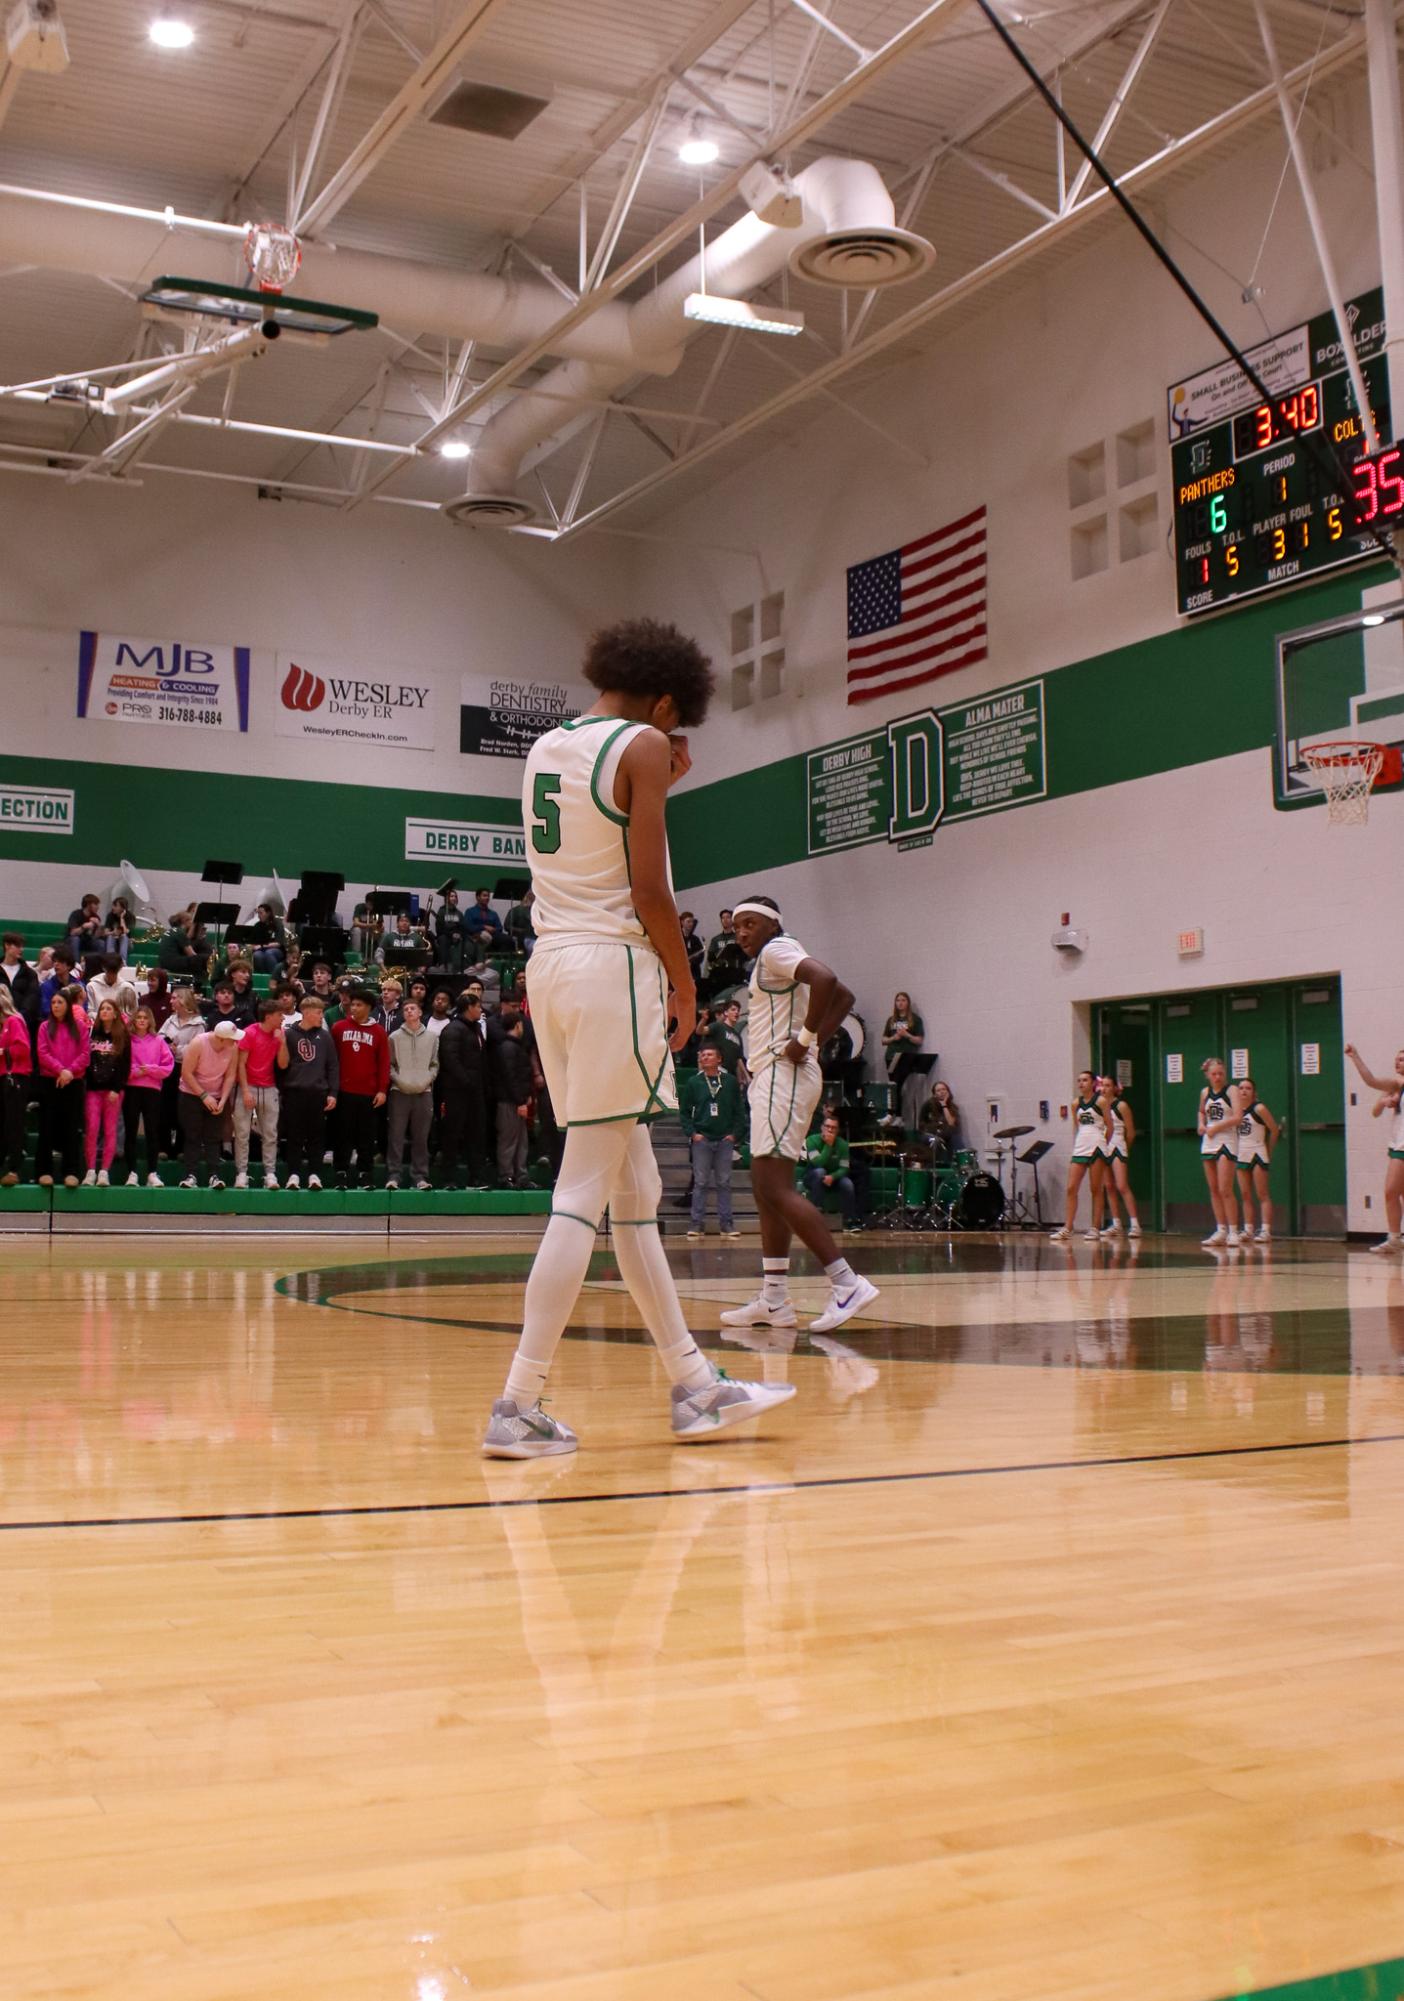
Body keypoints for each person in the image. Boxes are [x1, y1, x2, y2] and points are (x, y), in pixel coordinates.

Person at [483, 617, 793, 1457]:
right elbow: (650, 890)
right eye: (674, 720)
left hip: (549, 967)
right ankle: (518, 1399)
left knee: (635, 1191)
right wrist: (686, 982)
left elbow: (591, 840)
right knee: (586, 1188)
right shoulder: (644, 747)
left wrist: (657, 775)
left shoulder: (546, 745)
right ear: (665, 699)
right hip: (613, 967)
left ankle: (696, 1385)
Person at [722, 896, 879, 1334]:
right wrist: (810, 1042)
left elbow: (827, 980)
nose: (742, 933)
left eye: (749, 923)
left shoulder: (777, 949)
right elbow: (843, 995)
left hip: (782, 1074)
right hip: (779, 1075)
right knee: (765, 1187)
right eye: (736, 927)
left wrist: (806, 1037)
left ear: (771, 923)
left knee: (773, 1186)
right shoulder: (777, 955)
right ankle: (774, 1300)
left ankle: (847, 1284)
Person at [1345, 1042, 1404, 1252]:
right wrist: (1356, 1058)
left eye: (1402, 1059)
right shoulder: (1397, 1084)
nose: (1398, 1062)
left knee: (1390, 1191)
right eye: (1397, 1058)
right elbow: (1372, 1085)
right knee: (1396, 1193)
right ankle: (1396, 1237)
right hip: (1398, 1144)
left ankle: (1396, 1237)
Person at [680, 1043, 743, 1239]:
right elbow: (684, 1112)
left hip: (724, 1139)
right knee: (700, 1182)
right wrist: (692, 1133)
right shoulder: (693, 1083)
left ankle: (727, 1225)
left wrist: (735, 1134)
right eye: (703, 1055)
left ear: (719, 1059)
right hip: (702, 1138)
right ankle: (697, 1224)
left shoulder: (730, 1082)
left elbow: (739, 1111)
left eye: (709, 1054)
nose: (705, 1057)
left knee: (724, 1182)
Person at [332, 987, 389, 1188]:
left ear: (370, 1008)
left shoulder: (379, 1032)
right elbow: (333, 1061)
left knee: (366, 1137)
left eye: (359, 1005)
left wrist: (382, 1089)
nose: (354, 1008)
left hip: (369, 1093)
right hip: (344, 1092)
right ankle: (341, 1173)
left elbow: (384, 1063)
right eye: (352, 1004)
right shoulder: (338, 1028)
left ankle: (365, 1174)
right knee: (343, 1135)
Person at [281, 993, 337, 1189]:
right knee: (294, 1135)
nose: (322, 1016)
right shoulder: (289, 1034)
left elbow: (332, 1066)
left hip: (318, 1093)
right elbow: (282, 1066)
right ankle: (293, 1175)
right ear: (305, 1012)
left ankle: (315, 1174)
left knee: (316, 1136)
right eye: (319, 1012)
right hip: (294, 1092)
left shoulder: (325, 1036)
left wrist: (333, 1092)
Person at [1048, 1071, 1111, 1242]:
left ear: (1093, 1083)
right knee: (1071, 1187)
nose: (1081, 1083)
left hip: (1097, 1146)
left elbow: (1109, 1127)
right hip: (1080, 1146)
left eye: (1085, 1080)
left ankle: (1095, 1227)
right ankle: (1068, 1227)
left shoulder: (1101, 1101)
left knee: (1095, 1188)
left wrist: (1102, 1143)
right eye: (1079, 1080)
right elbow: (1078, 1126)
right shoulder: (1075, 1104)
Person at [35, 989, 89, 1187]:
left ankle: (71, 1171)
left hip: (73, 1083)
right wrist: (61, 1070)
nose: (55, 1005)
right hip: (50, 1082)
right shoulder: (44, 1027)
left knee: (72, 1127)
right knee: (47, 1126)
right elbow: (42, 1053)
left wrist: (69, 1072)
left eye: (59, 1002)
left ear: (67, 1005)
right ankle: (43, 1170)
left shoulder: (80, 1027)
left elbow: (85, 1055)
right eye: (53, 1002)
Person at [178, 1018, 240, 1188]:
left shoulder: (232, 1048)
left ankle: (214, 1175)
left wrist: (223, 1099)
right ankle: (190, 1175)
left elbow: (230, 1076)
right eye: (232, 1038)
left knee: (213, 1137)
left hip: (217, 1096)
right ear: (221, 1038)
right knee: (193, 1136)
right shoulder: (198, 1043)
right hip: (191, 1094)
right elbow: (186, 1073)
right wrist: (204, 1096)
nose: (235, 1041)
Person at [233, 996, 288, 1188]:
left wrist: (282, 1043)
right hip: (248, 1087)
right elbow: (241, 1064)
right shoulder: (249, 1033)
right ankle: (241, 1173)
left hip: (269, 1087)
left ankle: (270, 1174)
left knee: (271, 1133)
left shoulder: (279, 1033)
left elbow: (283, 1064)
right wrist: (246, 1091)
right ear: (269, 1016)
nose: (283, 1018)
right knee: (241, 1133)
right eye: (280, 1014)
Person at [438, 991, 491, 1188]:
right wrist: (467, 1081)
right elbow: (450, 1060)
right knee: (452, 1133)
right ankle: (448, 1179)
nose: (480, 1009)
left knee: (477, 1134)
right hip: (456, 1092)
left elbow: (481, 1059)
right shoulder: (453, 1029)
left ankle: (476, 1177)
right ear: (469, 1007)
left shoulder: (476, 1028)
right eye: (478, 1006)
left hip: (475, 1091)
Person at [386, 998, 438, 1190]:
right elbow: (389, 1065)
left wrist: (426, 1080)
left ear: (419, 1012)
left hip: (424, 1093)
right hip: (399, 1092)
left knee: (421, 1138)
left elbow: (435, 1064)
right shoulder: (394, 1037)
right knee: (396, 1136)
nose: (408, 1011)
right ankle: (394, 1175)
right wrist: (400, 1080)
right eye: (406, 1009)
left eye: (412, 1008)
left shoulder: (432, 1037)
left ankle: (420, 1177)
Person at [122, 1005, 173, 1186]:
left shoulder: (159, 1041)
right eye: (139, 1017)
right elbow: (121, 1067)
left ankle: (152, 1172)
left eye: (145, 1017)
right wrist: (135, 1072)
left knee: (152, 1131)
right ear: (134, 1020)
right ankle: (132, 1173)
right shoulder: (127, 1041)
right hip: (132, 1089)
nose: (142, 1020)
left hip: (152, 1090)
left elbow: (168, 1066)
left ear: (150, 1020)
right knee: (131, 1131)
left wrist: (151, 1070)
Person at [81, 999, 131, 1186]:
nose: (104, 1011)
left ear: (116, 1013)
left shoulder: (122, 1036)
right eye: (102, 1008)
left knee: (110, 1130)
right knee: (92, 1128)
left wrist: (117, 1088)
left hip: (113, 1091)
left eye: (109, 1008)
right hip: (94, 1089)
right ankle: (90, 1170)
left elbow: (125, 1065)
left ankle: (104, 1172)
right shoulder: (93, 1034)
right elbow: (87, 1060)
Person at [1231, 1074, 1280, 1246]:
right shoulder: (1235, 1111)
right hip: (1241, 1153)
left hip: (1258, 1152)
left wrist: (1268, 1150)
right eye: (1241, 1088)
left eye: (1248, 1088)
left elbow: (1274, 1130)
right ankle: (1248, 1229)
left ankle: (1266, 1230)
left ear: (1254, 1092)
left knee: (1262, 1193)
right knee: (1245, 1194)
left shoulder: (1259, 1108)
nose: (1244, 1091)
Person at [1198, 1057, 1242, 1249]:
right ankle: (1221, 1229)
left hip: (1226, 1139)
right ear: (1208, 1075)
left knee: (1225, 1188)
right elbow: (1201, 1112)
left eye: (1220, 1074)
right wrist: (1201, 1124)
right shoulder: (1205, 1092)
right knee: (1213, 1188)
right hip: (1209, 1140)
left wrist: (1218, 1127)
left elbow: (1239, 1117)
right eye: (1214, 1074)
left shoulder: (1231, 1090)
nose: (1217, 1077)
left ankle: (1234, 1231)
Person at [159, 984, 205, 1158]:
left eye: (174, 998)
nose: (171, 1001)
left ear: (183, 1000)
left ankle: (181, 1148)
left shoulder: (198, 1023)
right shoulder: (170, 1020)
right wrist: (166, 1046)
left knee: (183, 1108)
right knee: (165, 1106)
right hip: (168, 1067)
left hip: (187, 1069)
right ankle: (163, 1147)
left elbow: (198, 1047)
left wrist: (177, 1050)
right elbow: (159, 1037)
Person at [1095, 1073, 1142, 1240]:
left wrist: (1125, 1148)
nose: (1104, 1089)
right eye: (1103, 1085)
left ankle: (1135, 1224)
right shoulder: (1099, 1106)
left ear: (1115, 1088)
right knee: (1109, 1186)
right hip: (1104, 1145)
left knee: (1122, 1185)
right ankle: (1116, 1223)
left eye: (1108, 1085)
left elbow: (1130, 1132)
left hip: (1117, 1146)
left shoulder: (1121, 1106)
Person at [492, 1009, 534, 1189]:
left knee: (521, 1141)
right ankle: (506, 1176)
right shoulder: (508, 1047)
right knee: (509, 1140)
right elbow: (510, 1077)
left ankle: (521, 1175)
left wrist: (526, 1097)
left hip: (518, 1100)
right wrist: (520, 1101)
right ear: (517, 1025)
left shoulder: (514, 1046)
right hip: (509, 1102)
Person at [804, 1111, 858, 1231]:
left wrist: (833, 1177)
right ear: (822, 1127)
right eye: (827, 1126)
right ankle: (816, 1214)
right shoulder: (811, 1140)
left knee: (848, 1184)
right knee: (820, 1172)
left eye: (833, 1128)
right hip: (812, 1177)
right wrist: (829, 1145)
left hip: (833, 1178)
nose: (830, 1130)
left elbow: (844, 1168)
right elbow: (818, 1163)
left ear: (837, 1130)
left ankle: (849, 1221)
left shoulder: (843, 1145)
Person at [0, 986, 33, 1185]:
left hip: (15, 1078)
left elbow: (23, 1048)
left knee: (14, 1122)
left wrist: (3, 1051)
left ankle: (14, 1167)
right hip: (2, 1077)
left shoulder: (14, 1021)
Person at [882, 991, 927, 1131]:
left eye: (903, 1000)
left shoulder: (915, 1019)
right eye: (898, 1000)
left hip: (906, 1056)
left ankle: (895, 1115)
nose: (900, 1003)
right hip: (891, 1055)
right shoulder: (891, 1020)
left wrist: (906, 1035)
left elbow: (919, 1040)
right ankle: (894, 1115)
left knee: (898, 1084)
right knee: (893, 1086)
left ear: (908, 1003)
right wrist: (893, 1038)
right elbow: (883, 1040)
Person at [703, 998, 748, 1083]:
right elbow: (700, 1031)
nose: (736, 1012)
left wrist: (746, 1077)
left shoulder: (738, 1036)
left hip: (731, 1075)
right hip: (718, 1071)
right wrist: (704, 1019)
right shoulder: (718, 1026)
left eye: (738, 1010)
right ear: (726, 1013)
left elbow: (739, 1059)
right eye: (733, 1009)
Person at [0, 932, 38, 1029]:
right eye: (17, 946)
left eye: (22, 946)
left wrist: (19, 1018)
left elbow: (32, 998)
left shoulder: (30, 974)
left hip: (21, 1023)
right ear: (7, 945)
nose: (21, 949)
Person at [86, 953, 136, 1022]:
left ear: (120, 968)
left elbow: (134, 1013)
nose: (111, 976)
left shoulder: (127, 987)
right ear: (103, 968)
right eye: (109, 971)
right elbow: (89, 1012)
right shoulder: (92, 986)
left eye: (114, 972)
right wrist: (107, 1017)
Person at [917, 1079, 961, 1158]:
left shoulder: (952, 1107)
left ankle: (956, 1165)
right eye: (938, 1090)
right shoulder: (928, 1105)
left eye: (944, 1089)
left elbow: (951, 1123)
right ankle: (932, 1166)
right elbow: (921, 1124)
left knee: (957, 1140)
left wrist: (944, 1105)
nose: (941, 1092)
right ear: (934, 1094)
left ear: (948, 1092)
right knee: (935, 1141)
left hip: (946, 1135)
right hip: (929, 1134)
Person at [158, 910, 201, 978]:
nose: (192, 922)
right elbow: (191, 954)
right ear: (185, 921)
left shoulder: (171, 931)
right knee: (200, 960)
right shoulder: (180, 932)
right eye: (190, 920)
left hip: (162, 962)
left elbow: (186, 938)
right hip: (172, 962)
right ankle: (197, 982)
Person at [435, 889, 468, 974]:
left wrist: (458, 934)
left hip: (457, 936)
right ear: (447, 898)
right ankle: (444, 966)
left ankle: (463, 967)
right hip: (445, 935)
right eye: (451, 896)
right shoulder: (442, 911)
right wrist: (451, 935)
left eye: (455, 896)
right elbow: (439, 928)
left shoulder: (459, 913)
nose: (454, 898)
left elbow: (463, 927)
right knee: (443, 939)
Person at [248, 903, 286, 975]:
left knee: (269, 953)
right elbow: (253, 942)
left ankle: (274, 976)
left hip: (277, 950)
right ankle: (263, 977)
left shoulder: (277, 923)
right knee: (257, 955)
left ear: (268, 913)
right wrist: (252, 946)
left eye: (261, 913)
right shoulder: (258, 925)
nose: (259, 916)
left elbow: (278, 943)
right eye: (258, 913)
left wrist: (262, 946)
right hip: (261, 950)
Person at [39, 946, 78, 1017]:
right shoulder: (46, 986)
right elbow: (45, 1009)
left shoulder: (78, 985)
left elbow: (82, 1007)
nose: (56, 964)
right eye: (55, 961)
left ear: (69, 965)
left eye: (60, 962)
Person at [504, 888, 536, 959]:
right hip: (523, 937)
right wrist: (520, 930)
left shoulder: (536, 911)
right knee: (533, 947)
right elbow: (507, 926)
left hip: (536, 937)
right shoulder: (516, 910)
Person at [679, 910, 705, 984]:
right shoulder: (676, 938)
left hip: (694, 973)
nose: (691, 924)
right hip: (680, 972)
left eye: (692, 922)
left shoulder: (695, 939)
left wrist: (692, 962)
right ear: (682, 922)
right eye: (688, 921)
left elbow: (701, 956)